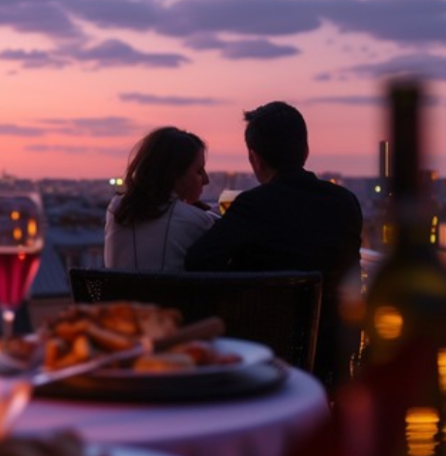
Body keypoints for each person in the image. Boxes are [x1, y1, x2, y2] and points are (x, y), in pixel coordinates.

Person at [185, 101, 363, 389]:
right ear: (305, 151)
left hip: (263, 356)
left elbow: (198, 261)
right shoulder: (345, 202)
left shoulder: (254, 206)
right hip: (333, 355)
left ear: (254, 158)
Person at [104, 126, 216, 272]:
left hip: (119, 295)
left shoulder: (116, 210)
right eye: (199, 171)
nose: (206, 180)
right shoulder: (198, 221)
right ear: (175, 175)